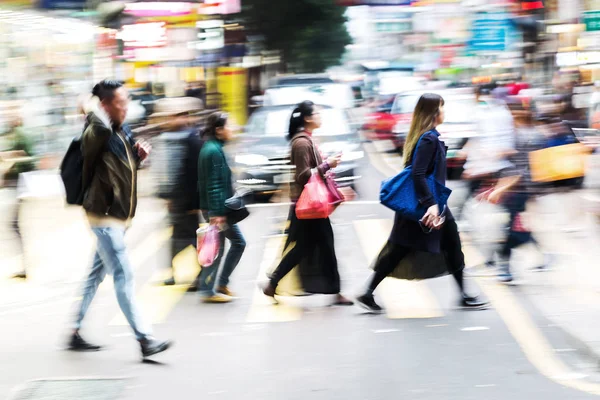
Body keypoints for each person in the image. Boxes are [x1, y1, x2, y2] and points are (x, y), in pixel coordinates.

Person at [356, 93, 488, 313]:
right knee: (399, 250)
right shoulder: (428, 138)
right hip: (425, 206)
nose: (444, 112)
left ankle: (464, 294)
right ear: (434, 112)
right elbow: (418, 173)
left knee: (450, 245)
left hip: (426, 204)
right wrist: (430, 204)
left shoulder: (425, 136)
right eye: (442, 108)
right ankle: (367, 291)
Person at [69, 80, 171, 358]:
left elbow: (117, 171)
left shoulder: (120, 131)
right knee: (124, 275)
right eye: (120, 102)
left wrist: (137, 158)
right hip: (103, 218)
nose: (127, 107)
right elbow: (99, 126)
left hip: (116, 217)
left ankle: (74, 330)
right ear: (104, 106)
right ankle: (145, 340)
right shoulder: (96, 131)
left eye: (127, 101)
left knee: (94, 276)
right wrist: (89, 104)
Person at [262, 100, 353, 305]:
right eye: (317, 114)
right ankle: (333, 292)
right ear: (307, 118)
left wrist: (326, 165)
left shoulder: (307, 139)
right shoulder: (302, 142)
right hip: (308, 206)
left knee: (305, 247)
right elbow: (303, 177)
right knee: (319, 247)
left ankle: (273, 284)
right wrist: (327, 164)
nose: (320, 117)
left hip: (308, 205)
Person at [481, 104, 550, 282]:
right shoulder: (537, 134)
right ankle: (536, 254)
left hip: (514, 189)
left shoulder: (517, 136)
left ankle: (503, 266)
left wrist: (500, 189)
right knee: (511, 225)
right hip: (524, 189)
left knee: (508, 229)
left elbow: (518, 169)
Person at [197, 112, 246, 303]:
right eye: (229, 126)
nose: (232, 129)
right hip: (217, 210)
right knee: (221, 246)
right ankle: (208, 289)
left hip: (216, 208)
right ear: (219, 130)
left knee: (226, 245)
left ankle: (218, 284)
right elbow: (213, 184)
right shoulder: (213, 151)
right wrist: (216, 213)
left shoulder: (213, 148)